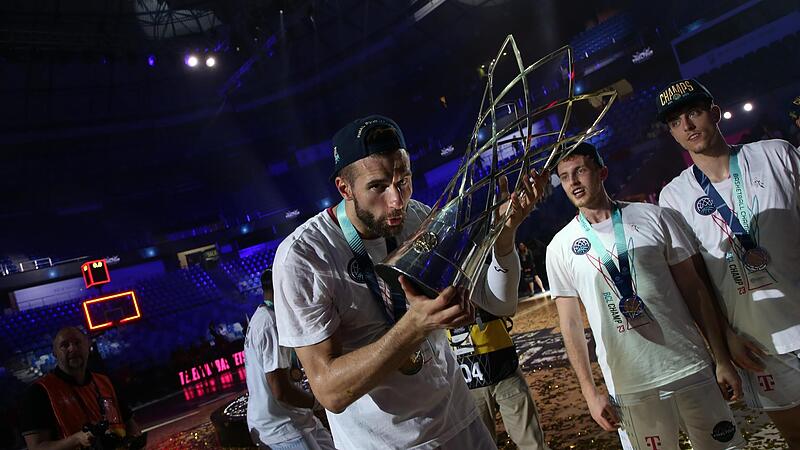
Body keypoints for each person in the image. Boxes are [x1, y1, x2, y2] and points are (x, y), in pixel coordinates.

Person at [273, 115, 548, 449]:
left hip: (462, 421)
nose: (396, 200)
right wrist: (414, 326)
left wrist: (505, 237)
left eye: (403, 180)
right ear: (344, 188)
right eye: (377, 186)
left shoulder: (417, 217)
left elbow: (497, 304)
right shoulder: (304, 257)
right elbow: (329, 391)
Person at [546, 143, 744, 450]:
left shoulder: (654, 216)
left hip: (689, 366)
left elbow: (694, 290)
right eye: (564, 176)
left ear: (602, 173)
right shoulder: (559, 247)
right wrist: (589, 391)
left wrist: (720, 357)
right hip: (628, 384)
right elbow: (570, 324)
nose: (572, 182)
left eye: (580, 171)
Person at [657, 79, 800, 447]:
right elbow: (697, 282)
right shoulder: (674, 196)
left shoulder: (776, 155)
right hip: (758, 344)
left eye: (693, 112)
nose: (687, 126)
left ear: (715, 113)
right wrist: (723, 346)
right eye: (675, 122)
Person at [244, 269, 335, 450]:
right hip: (281, 428)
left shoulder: (265, 316)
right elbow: (281, 391)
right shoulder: (270, 324)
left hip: (298, 418)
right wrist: (319, 402)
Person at [19, 326, 142, 450]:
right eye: (64, 345)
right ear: (54, 353)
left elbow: (129, 424)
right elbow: (36, 447)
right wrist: (76, 439)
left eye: (78, 342)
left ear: (88, 346)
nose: (73, 348)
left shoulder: (104, 382)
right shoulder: (39, 392)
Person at [448, 308, 548, 449]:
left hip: (501, 363)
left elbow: (509, 304)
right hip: (465, 374)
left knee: (532, 444)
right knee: (480, 445)